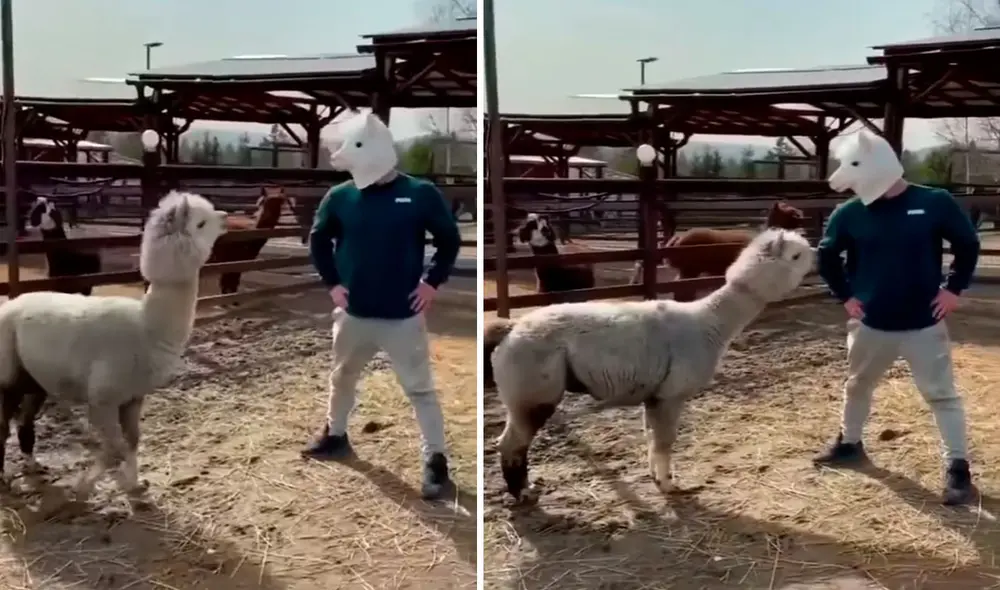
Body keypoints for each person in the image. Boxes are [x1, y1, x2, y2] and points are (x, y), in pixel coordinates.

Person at [815, 129, 980, 506]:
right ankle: (849, 442)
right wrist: (845, 296)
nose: (844, 177)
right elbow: (827, 255)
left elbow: (967, 243)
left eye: (853, 166)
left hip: (923, 321)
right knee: (857, 384)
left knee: (942, 395)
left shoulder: (934, 202)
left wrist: (953, 288)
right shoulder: (850, 212)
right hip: (871, 323)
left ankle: (958, 468)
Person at [302, 111, 462, 501]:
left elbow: (449, 240)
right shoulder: (341, 196)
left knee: (419, 389)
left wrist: (431, 283)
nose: (342, 157)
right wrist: (332, 284)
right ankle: (335, 433)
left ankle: (436, 461)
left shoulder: (420, 194)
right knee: (342, 376)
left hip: (402, 315)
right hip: (354, 312)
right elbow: (318, 239)